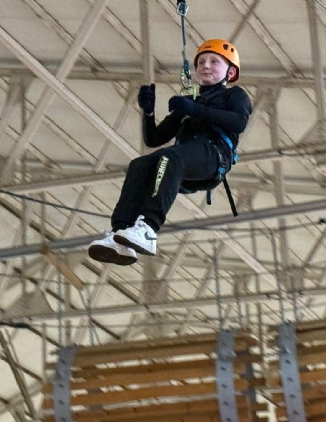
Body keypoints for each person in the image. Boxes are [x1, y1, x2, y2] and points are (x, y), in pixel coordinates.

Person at [88, 39, 252, 266]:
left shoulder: (234, 96)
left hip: (213, 155)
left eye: (214, 61)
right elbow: (154, 138)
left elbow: (238, 122)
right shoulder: (189, 102)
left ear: (230, 72)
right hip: (182, 160)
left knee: (170, 156)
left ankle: (148, 228)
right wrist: (148, 112)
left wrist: (194, 109)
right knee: (139, 166)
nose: (205, 65)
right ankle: (121, 234)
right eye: (201, 62)